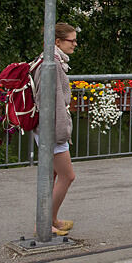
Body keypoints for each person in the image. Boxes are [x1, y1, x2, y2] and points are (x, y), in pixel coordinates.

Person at [32, 22, 79, 237]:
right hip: (52, 131)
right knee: (68, 176)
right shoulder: (50, 64)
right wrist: (61, 134)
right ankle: (43, 223)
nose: (75, 44)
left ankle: (51, 220)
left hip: (48, 130)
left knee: (51, 175)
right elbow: (51, 102)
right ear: (58, 42)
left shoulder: (52, 61)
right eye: (72, 40)